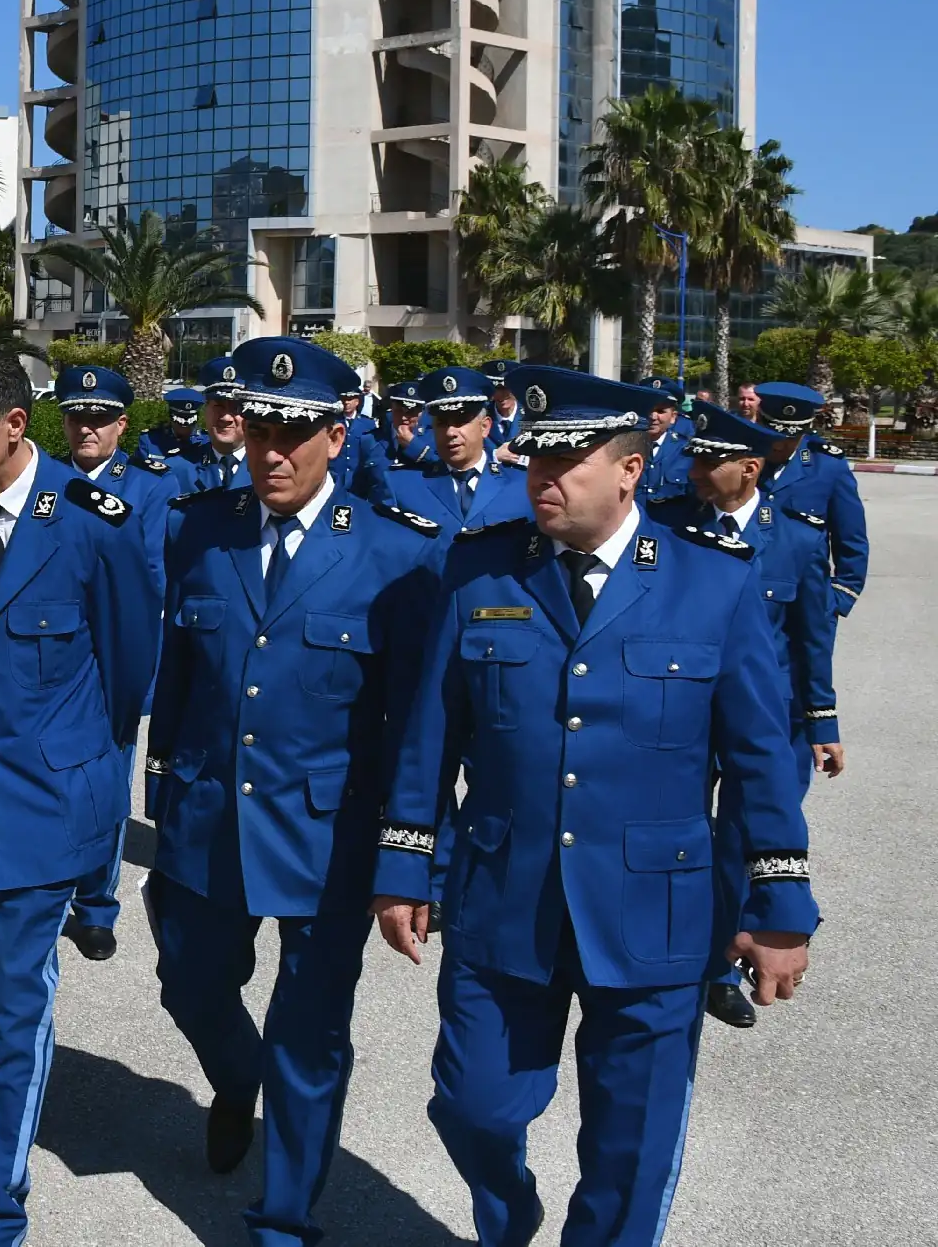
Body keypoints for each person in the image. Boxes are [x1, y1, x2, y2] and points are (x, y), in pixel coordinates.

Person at [371, 366, 819, 1247]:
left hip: (656, 911)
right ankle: (511, 1216)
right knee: (474, 1108)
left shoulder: (712, 582)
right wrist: (403, 864)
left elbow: (762, 760)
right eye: (534, 456)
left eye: (567, 459)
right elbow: (429, 734)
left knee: (631, 1150)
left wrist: (781, 906)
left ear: (628, 469)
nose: (542, 475)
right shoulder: (478, 569)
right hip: (505, 900)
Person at [145, 336, 441, 1244]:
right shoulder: (202, 526)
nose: (271, 452)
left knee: (308, 1039)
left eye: (294, 433)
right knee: (189, 986)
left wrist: (408, 852)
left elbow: (416, 723)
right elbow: (179, 681)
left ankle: (284, 1218)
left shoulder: (397, 554)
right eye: (259, 430)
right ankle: (238, 1079)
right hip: (206, 815)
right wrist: (162, 793)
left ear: (338, 431)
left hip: (327, 833)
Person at [0, 347, 162, 1247]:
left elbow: (129, 674)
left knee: (11, 1005)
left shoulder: (95, 523)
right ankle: (0, 1084)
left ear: (16, 425)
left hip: (44, 810)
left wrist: (69, 759)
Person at [655, 401, 839, 1032]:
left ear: (751, 469)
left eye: (711, 461)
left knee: (739, 842)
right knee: (675, 832)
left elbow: (812, 642)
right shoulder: (666, 526)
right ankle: (673, 951)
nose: (696, 470)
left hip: (765, 718)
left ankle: (719, 968)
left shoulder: (797, 538)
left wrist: (824, 723)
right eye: (696, 457)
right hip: (679, 708)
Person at [54, 363, 177, 961]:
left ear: (121, 426)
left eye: (99, 420)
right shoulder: (45, 480)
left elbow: (151, 583)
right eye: (78, 417)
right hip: (52, 659)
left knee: (106, 784)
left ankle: (96, 906)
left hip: (115, 660)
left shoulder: (152, 486)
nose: (87, 430)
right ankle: (50, 885)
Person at [756, 383, 870, 623]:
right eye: (773, 435)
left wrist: (840, 595)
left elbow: (851, 537)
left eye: (790, 438)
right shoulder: (740, 459)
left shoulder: (827, 466)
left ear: (805, 432)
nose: (779, 444)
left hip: (806, 604)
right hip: (748, 597)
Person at [387, 368, 533, 537]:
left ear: (485, 427)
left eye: (461, 421)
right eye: (442, 423)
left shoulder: (522, 484)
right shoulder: (400, 486)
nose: (450, 432)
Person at [185, 354, 252, 491]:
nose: (226, 418)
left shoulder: (268, 469)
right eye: (218, 406)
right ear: (206, 409)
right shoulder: (179, 469)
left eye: (236, 408)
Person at [632, 375, 692, 501]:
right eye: (648, 409)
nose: (653, 416)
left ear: (673, 417)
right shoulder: (625, 447)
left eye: (660, 411)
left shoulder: (686, 451)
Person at [145, 385, 208, 464]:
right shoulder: (150, 440)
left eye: (189, 420)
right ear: (171, 417)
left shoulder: (206, 441)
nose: (184, 426)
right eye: (180, 420)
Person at [384, 378, 433, 469]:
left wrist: (414, 445)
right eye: (399, 411)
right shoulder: (371, 440)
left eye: (410, 412)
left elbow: (442, 467)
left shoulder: (433, 438)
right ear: (392, 408)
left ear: (420, 413)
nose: (404, 417)